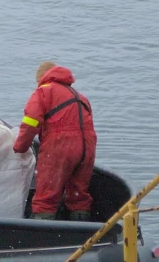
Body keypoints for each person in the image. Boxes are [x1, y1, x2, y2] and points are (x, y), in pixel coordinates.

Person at [13, 61, 97, 221]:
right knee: (79, 194)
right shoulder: (80, 97)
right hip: (87, 148)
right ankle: (81, 232)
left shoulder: (43, 92)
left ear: (41, 78)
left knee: (46, 196)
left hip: (61, 146)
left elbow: (30, 124)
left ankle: (43, 234)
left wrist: (20, 147)